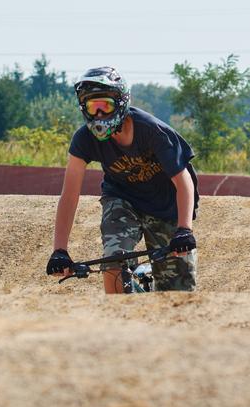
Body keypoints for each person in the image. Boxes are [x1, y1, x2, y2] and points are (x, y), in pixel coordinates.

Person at [46, 66, 198, 293]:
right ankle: (120, 319)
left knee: (178, 297)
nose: (98, 115)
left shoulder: (152, 131)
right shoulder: (83, 140)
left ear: (121, 103)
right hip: (122, 200)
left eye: (104, 106)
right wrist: (60, 250)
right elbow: (69, 195)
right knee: (113, 260)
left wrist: (184, 230)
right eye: (92, 107)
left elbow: (183, 180)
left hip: (166, 206)